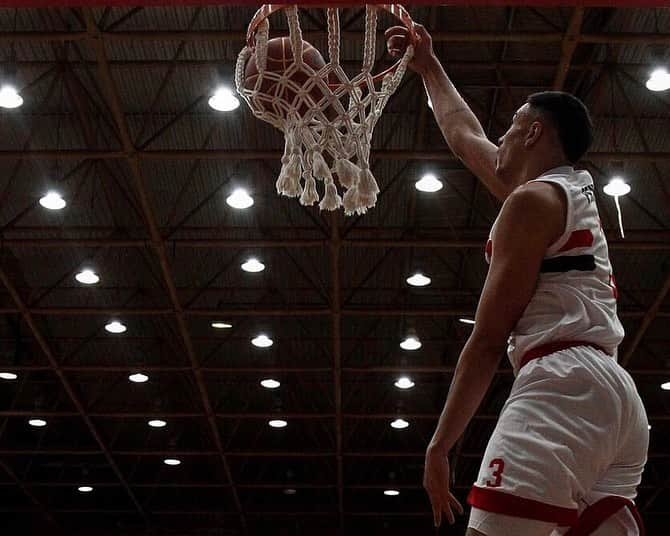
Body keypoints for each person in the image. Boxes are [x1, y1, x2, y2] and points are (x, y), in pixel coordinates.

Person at [385, 23, 649, 536]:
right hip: (617, 400)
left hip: (563, 386)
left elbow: (485, 343)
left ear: (533, 134)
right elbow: (465, 139)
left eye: (510, 126)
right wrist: (428, 66)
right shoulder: (561, 194)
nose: (499, 136)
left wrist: (440, 447)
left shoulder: (530, 204)